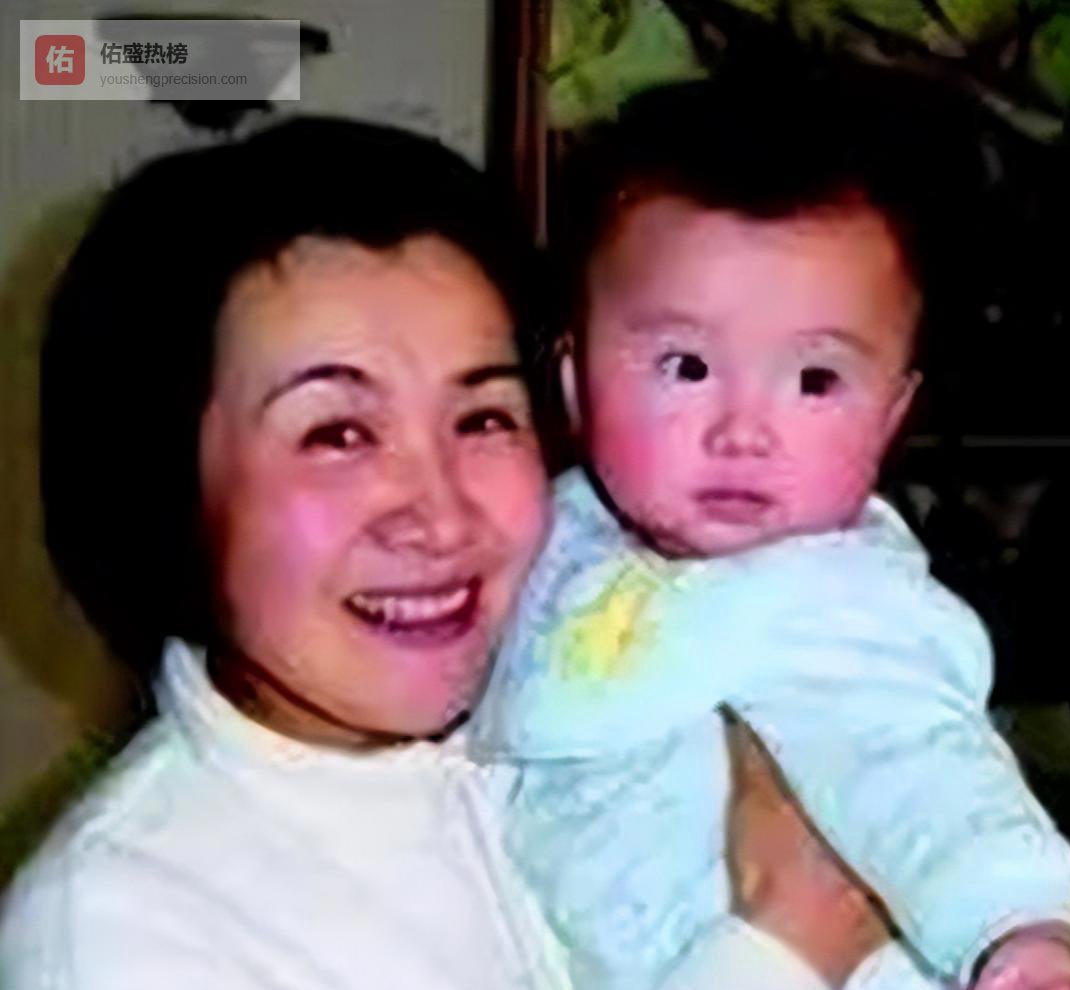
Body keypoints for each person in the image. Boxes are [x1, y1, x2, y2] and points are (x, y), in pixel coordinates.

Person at [0, 115, 888, 989]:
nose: (440, 515)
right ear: (162, 481)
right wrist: (782, 952)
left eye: (484, 418)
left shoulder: (606, 702)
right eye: (337, 434)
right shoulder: (115, 926)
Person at [470, 70, 1070, 990]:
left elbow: (928, 771)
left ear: (889, 417)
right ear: (575, 384)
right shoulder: (547, 543)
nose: (743, 431)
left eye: (815, 380)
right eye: (685, 367)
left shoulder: (847, 602)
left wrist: (1021, 929)